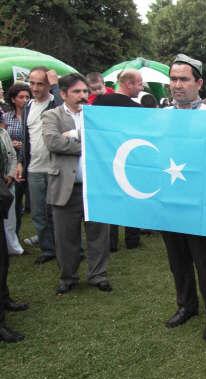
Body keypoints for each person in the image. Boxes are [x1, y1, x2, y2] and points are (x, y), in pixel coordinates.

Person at [161, 54, 206, 342]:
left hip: (203, 202)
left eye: (184, 79)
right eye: (173, 79)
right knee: (178, 259)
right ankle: (186, 305)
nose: (177, 84)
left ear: (199, 83)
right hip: (170, 200)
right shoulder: (161, 116)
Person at [42, 73, 112, 295]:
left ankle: (98, 275)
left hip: (96, 186)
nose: (83, 95)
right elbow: (53, 142)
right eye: (77, 91)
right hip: (65, 186)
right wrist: (88, 143)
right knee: (65, 236)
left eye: (85, 91)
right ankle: (68, 277)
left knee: (99, 234)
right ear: (63, 94)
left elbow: (105, 141)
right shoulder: (51, 115)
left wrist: (73, 134)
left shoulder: (96, 115)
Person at [16, 67, 62, 265]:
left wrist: (56, 85)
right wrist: (20, 161)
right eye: (32, 83)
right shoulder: (28, 106)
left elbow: (66, 112)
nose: (35, 88)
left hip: (54, 167)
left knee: (57, 213)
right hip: (34, 168)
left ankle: (65, 248)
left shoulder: (55, 103)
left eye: (40, 83)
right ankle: (48, 249)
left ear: (48, 85)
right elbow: (26, 137)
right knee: (37, 213)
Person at [93, 69, 144, 251]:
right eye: (139, 83)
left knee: (110, 200)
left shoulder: (99, 102)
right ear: (128, 83)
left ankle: (111, 241)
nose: (142, 87)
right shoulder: (138, 109)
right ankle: (132, 239)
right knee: (133, 197)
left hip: (105, 159)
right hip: (131, 160)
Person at [0, 124, 28, 343]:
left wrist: (10, 174)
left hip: (4, 187)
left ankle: (4, 299)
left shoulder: (2, 130)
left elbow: (10, 154)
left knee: (3, 259)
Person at [4, 83, 31, 243]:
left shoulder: (33, 116)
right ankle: (13, 238)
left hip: (30, 162)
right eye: (21, 97)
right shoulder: (6, 117)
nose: (25, 100)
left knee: (37, 205)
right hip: (13, 164)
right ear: (13, 99)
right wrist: (11, 143)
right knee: (15, 203)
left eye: (27, 97)